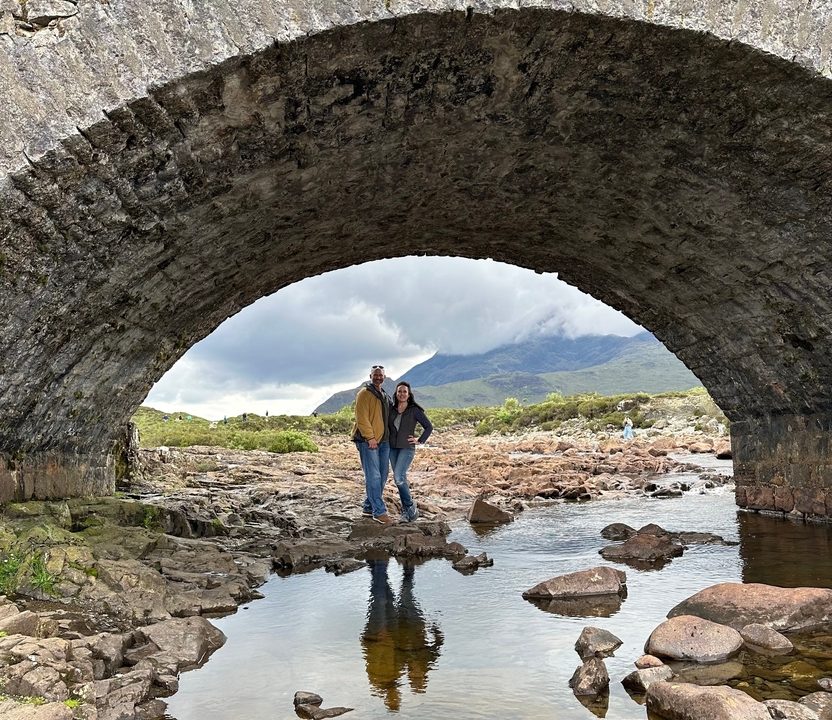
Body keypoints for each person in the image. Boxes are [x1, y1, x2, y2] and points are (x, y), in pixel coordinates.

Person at [352, 365, 393, 523]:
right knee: (373, 476)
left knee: (382, 476)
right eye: (375, 375)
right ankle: (379, 511)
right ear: (370, 376)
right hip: (368, 441)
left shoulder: (383, 394)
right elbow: (361, 418)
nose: (378, 377)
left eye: (380, 375)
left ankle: (368, 508)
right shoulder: (364, 394)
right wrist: (370, 437)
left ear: (384, 377)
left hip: (384, 441)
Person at [388, 381, 432, 522]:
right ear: (396, 393)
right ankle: (407, 514)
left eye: (404, 391)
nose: (402, 394)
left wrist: (419, 440)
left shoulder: (414, 410)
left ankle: (410, 507)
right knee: (401, 479)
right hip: (392, 448)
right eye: (399, 391)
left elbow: (428, 427)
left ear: (409, 394)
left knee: (399, 478)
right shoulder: (391, 409)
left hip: (407, 448)